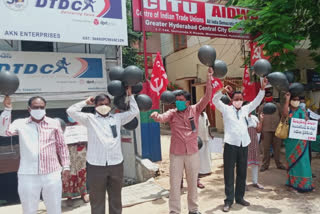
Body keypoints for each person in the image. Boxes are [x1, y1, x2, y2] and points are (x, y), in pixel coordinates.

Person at [150, 68, 213, 214]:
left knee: (192, 183)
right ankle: (174, 210)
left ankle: (193, 209)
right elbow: (162, 117)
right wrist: (155, 115)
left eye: (181, 100)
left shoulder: (195, 110)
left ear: (187, 102)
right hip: (176, 154)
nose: (178, 103)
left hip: (192, 153)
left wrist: (209, 78)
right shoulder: (172, 113)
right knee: (175, 183)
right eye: (176, 101)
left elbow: (207, 96)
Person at [66, 87, 139, 214]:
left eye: (106, 104)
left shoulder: (117, 118)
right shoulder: (89, 119)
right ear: (95, 106)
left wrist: (130, 96)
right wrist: (85, 102)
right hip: (96, 165)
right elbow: (70, 111)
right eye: (101, 104)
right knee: (97, 199)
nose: (104, 106)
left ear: (110, 105)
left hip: (116, 164)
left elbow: (134, 111)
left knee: (116, 198)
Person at [0, 96, 70, 214]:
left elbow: (61, 146)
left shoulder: (54, 123)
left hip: (52, 173)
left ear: (45, 108)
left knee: (55, 208)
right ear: (29, 109)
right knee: (29, 209)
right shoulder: (20, 123)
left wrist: (66, 166)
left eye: (42, 107)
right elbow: (4, 131)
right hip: (28, 174)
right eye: (35, 107)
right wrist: (7, 110)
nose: (39, 109)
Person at [212, 77, 267, 212]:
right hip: (230, 145)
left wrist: (262, 89)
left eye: (240, 99)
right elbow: (214, 100)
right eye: (236, 99)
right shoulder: (226, 109)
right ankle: (228, 200)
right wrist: (222, 91)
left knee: (242, 173)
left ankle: (240, 197)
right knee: (229, 173)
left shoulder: (245, 109)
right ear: (231, 100)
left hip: (244, 144)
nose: (238, 101)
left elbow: (257, 101)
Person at [282, 92, 314, 192]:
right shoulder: (289, 111)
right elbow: (284, 115)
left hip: (302, 143)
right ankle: (292, 184)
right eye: (294, 99)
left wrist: (307, 121)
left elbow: (308, 123)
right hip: (291, 142)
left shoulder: (302, 111)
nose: (296, 101)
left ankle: (306, 184)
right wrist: (287, 99)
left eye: (298, 100)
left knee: (304, 162)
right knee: (293, 163)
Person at [62, 116, 90, 206]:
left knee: (82, 172)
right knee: (69, 173)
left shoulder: (82, 127)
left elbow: (88, 140)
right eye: (69, 116)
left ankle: (83, 193)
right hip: (68, 152)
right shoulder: (64, 127)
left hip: (80, 151)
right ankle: (69, 197)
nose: (72, 118)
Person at [258, 90, 286, 172]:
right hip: (265, 130)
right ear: (264, 97)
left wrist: (281, 126)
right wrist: (261, 130)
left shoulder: (277, 106)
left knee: (277, 148)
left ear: (272, 96)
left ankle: (279, 164)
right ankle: (265, 165)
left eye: (270, 95)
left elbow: (282, 116)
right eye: (267, 95)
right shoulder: (261, 107)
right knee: (266, 149)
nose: (268, 96)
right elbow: (259, 118)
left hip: (277, 130)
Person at [246, 110, 264, 189]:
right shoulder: (241, 117)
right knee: (244, 163)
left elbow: (259, 130)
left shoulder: (254, 118)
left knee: (255, 162)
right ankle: (243, 184)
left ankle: (255, 182)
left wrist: (261, 120)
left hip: (254, 141)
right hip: (244, 142)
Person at [198, 110, 213, 187]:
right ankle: (200, 172)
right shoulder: (196, 115)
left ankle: (207, 170)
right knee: (199, 156)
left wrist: (210, 134)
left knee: (206, 155)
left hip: (206, 137)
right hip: (199, 138)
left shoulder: (205, 114)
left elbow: (208, 125)